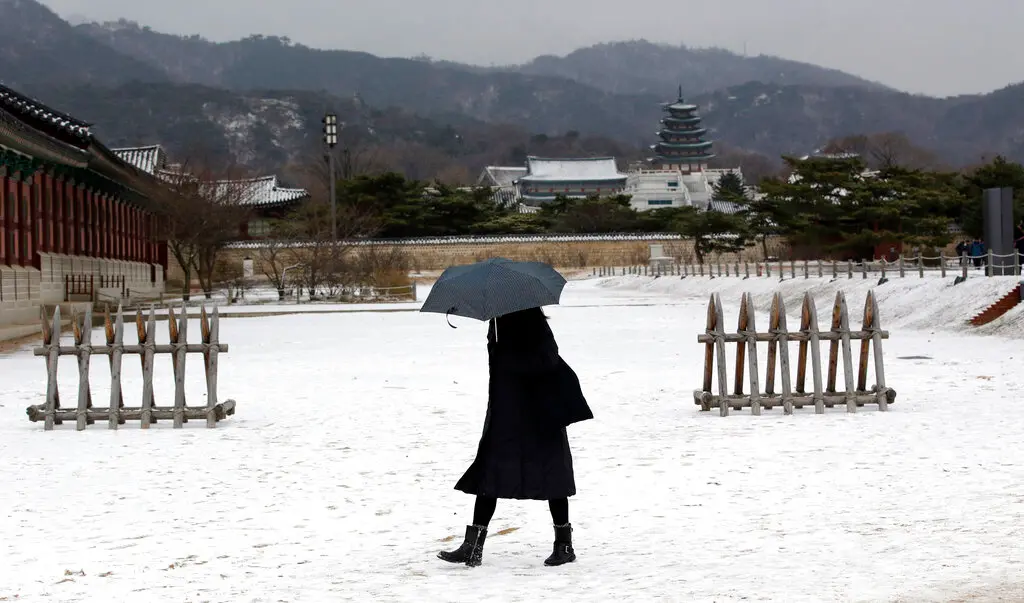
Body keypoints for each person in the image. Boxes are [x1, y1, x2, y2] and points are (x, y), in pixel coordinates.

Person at [437, 307, 593, 568]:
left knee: (552, 474)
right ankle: (473, 546)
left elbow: (546, 361)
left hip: (540, 415)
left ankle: (564, 545)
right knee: (490, 473)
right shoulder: (498, 325)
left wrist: (508, 356)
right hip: (507, 413)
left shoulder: (535, 328)